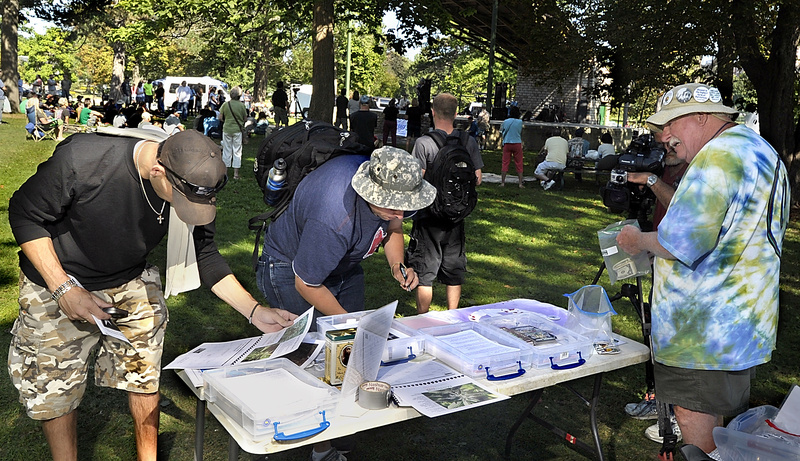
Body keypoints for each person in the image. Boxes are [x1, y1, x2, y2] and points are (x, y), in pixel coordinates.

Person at [7, 129, 296, 461]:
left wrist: (255, 311)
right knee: (55, 387)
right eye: (182, 199)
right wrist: (64, 289)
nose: (186, 208)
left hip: (129, 278)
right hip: (57, 277)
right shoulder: (82, 160)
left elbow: (205, 254)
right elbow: (25, 215)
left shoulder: (192, 178)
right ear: (158, 171)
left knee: (144, 373)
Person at [615, 83, 790, 459]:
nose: (665, 136)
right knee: (719, 427)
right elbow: (714, 221)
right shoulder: (760, 151)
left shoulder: (714, 158)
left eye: (671, 124)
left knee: (696, 425)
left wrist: (636, 240)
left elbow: (681, 243)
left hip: (700, 335)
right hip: (741, 326)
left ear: (701, 117)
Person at [406, 93, 484, 314]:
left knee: (424, 273)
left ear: (432, 112)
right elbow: (477, 178)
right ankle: (453, 314)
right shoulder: (467, 141)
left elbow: (416, 178)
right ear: (456, 113)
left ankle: (422, 318)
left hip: (429, 215)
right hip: (456, 215)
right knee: (454, 269)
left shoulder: (423, 143)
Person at [219, 86, 248, 180]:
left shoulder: (225, 105)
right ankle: (236, 174)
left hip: (227, 129)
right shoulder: (242, 105)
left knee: (226, 150)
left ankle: (225, 173)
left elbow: (220, 117)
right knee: (237, 151)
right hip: (237, 130)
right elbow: (245, 118)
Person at [500, 105, 525, 187]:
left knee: (505, 162)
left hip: (507, 143)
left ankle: (503, 182)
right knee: (519, 163)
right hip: (517, 143)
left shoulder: (505, 121)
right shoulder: (520, 122)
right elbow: (520, 132)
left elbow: (502, 131)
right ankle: (520, 183)